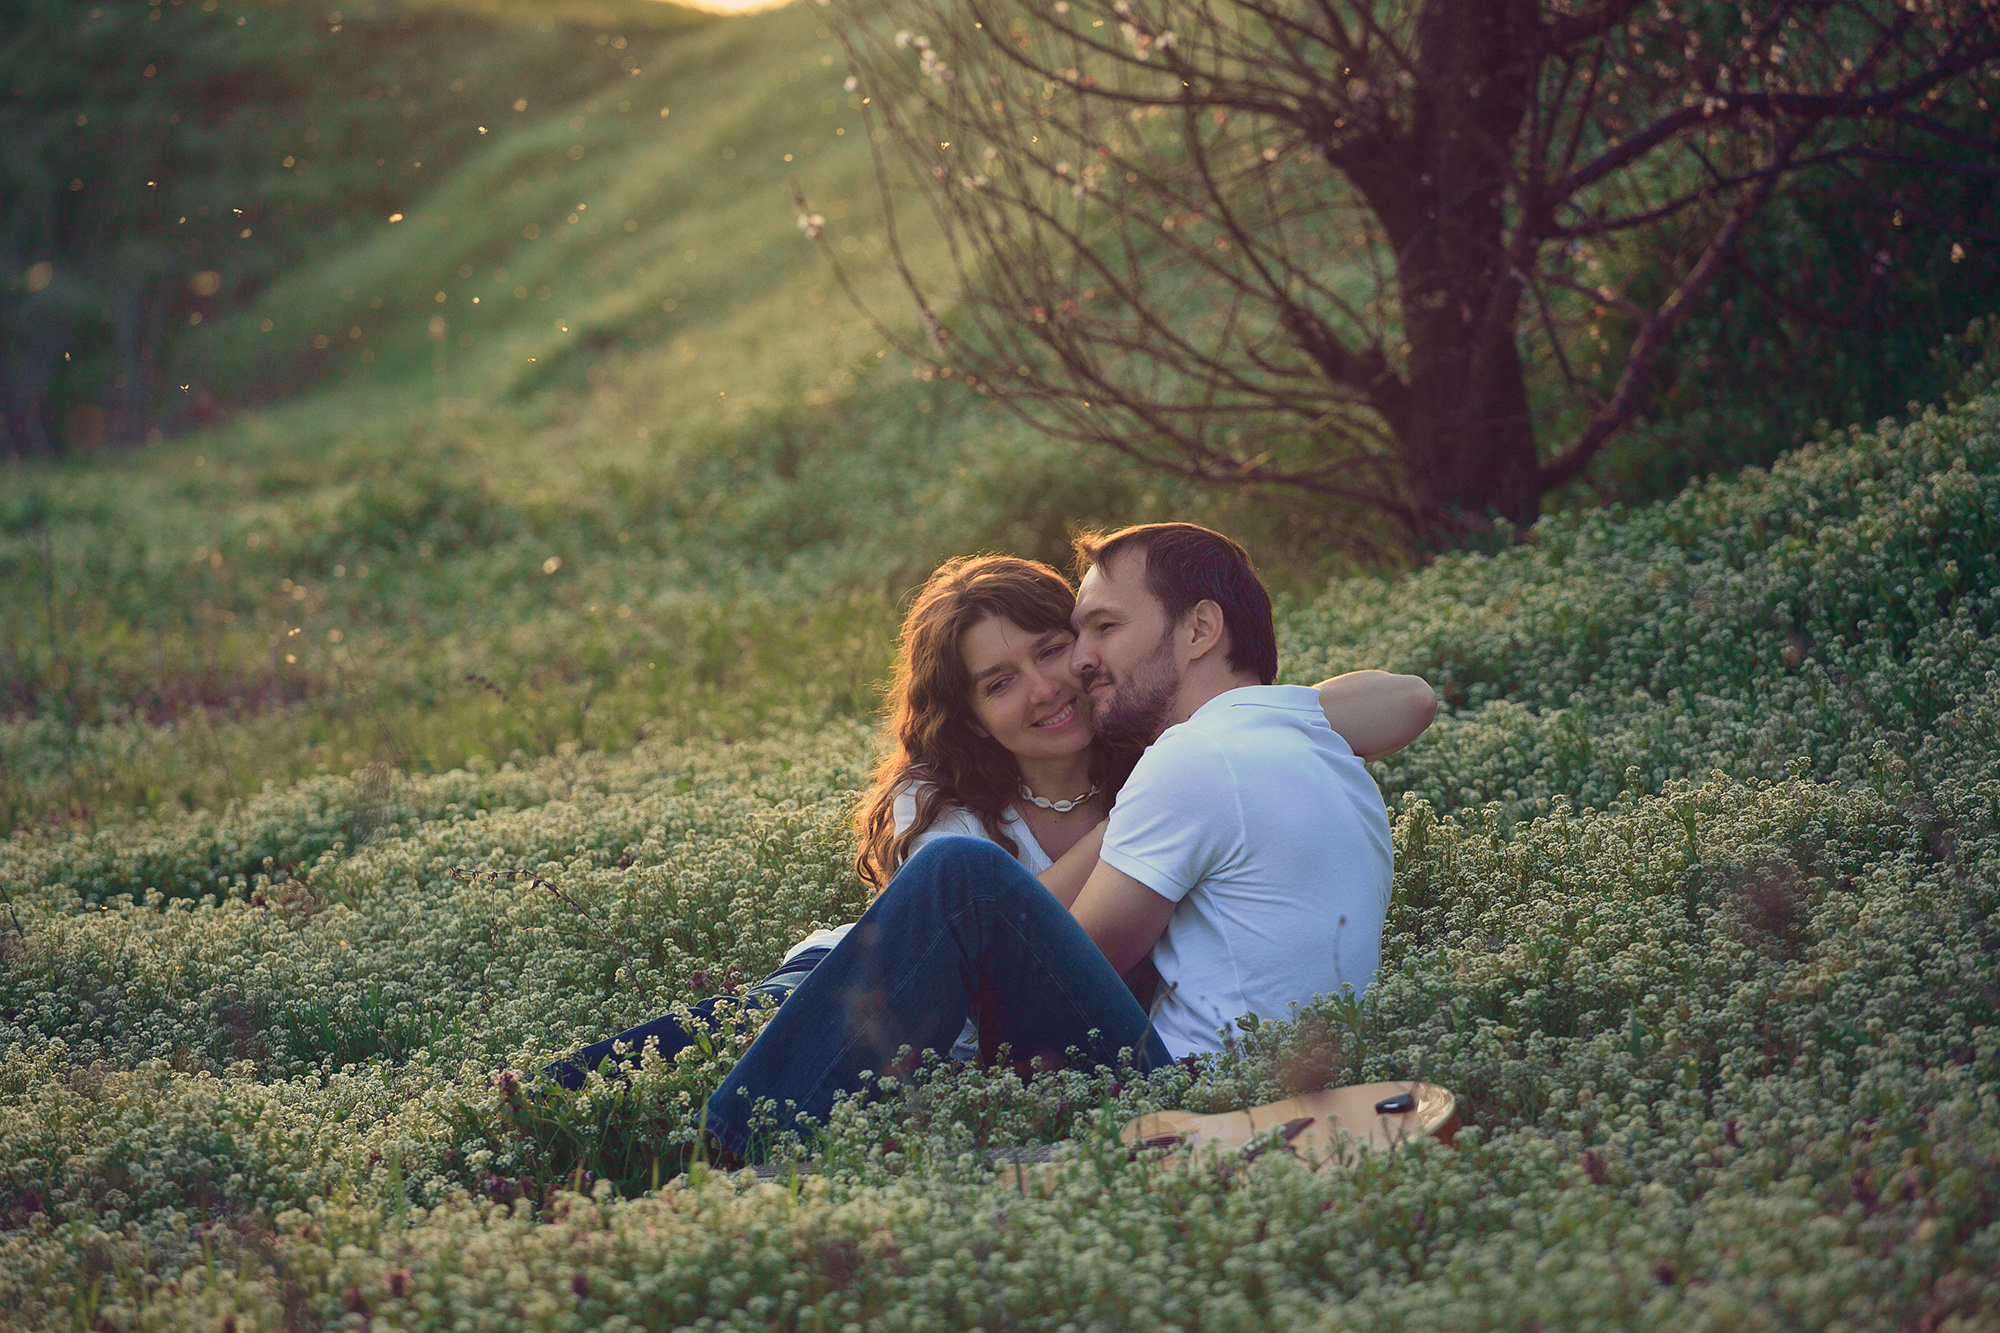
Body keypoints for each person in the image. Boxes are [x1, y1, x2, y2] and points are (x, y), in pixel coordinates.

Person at [545, 552, 1433, 1100]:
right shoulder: (942, 803)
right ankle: (530, 1110)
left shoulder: (1169, 754)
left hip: (1017, 1059)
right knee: (656, 1065)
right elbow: (981, 944)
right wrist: (1129, 817)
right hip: (861, 1003)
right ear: (969, 713)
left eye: (1053, 650)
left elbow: (1402, 703)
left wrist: (1247, 722)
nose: (1045, 687)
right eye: (1000, 680)